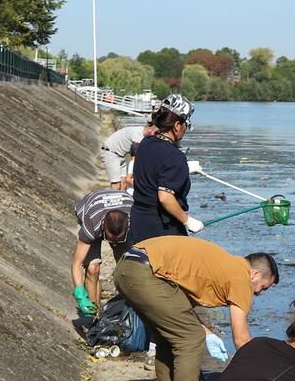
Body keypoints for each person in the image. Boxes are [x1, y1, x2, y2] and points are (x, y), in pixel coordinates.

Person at [113, 237, 279, 381]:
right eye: (262, 288)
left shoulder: (222, 266)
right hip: (145, 272)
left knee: (169, 336)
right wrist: (263, 375)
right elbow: (241, 339)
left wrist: (208, 333)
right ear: (255, 274)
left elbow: (181, 308)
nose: (258, 293)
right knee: (189, 339)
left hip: (127, 267)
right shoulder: (240, 276)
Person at [128, 95, 202, 243]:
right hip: (162, 228)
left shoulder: (145, 143)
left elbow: (153, 172)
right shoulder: (175, 156)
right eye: (186, 125)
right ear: (177, 125)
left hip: (138, 221)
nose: (185, 130)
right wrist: (187, 220)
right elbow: (165, 197)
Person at [70, 187, 133, 316]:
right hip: (91, 205)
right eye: (111, 239)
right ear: (103, 225)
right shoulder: (92, 222)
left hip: (124, 203)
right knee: (93, 268)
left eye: (119, 239)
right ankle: (96, 316)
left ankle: (128, 310)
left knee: (127, 267)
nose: (114, 243)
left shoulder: (135, 219)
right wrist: (80, 294)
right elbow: (77, 264)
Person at [101, 121, 155, 190]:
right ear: (149, 129)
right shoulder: (137, 134)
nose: (154, 135)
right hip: (111, 152)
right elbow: (135, 156)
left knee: (123, 182)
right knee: (116, 183)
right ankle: (114, 198)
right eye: (155, 132)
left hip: (120, 155)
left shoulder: (142, 133)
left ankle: (122, 199)